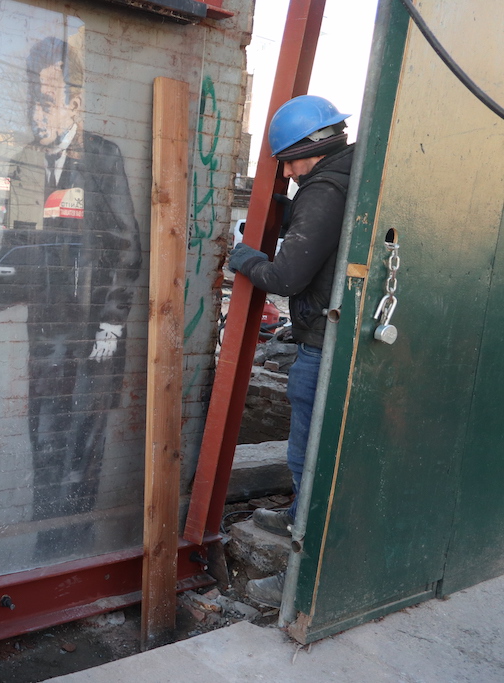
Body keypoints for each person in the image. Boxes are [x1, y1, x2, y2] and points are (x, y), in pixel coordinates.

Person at [0, 36, 142, 558]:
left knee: (82, 452)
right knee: (45, 447)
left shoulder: (102, 157)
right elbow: (16, 263)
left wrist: (111, 327)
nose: (35, 113)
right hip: (46, 339)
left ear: (75, 103)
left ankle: (76, 550)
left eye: (46, 101)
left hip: (96, 340)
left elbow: (127, 250)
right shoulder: (23, 163)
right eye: (32, 100)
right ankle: (49, 552)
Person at [227, 95, 354, 608]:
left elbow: (286, 276)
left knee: (310, 456)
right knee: (315, 453)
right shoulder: (353, 174)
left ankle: (303, 579)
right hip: (333, 337)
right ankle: (300, 515)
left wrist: (244, 257)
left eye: (287, 163)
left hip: (322, 343)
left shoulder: (323, 190)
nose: (288, 172)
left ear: (304, 150)